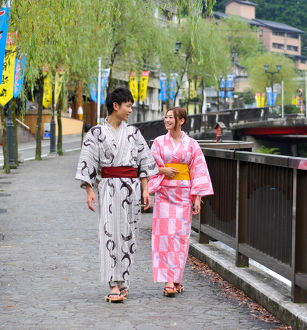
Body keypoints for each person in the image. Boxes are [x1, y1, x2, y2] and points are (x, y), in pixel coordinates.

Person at [75, 87, 157, 303]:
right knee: (110, 232)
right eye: (128, 105)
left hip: (132, 188)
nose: (130, 110)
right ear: (116, 106)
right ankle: (113, 282)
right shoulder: (96, 133)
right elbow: (88, 161)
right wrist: (89, 190)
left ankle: (124, 281)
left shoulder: (134, 133)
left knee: (129, 234)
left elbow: (144, 162)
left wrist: (146, 189)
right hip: (109, 187)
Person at [148, 107, 213, 297]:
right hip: (165, 194)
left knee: (180, 237)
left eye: (170, 117)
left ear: (181, 120)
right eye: (165, 117)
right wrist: (163, 171)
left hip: (184, 195)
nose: (166, 120)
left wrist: (198, 198)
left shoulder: (192, 144)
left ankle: (176, 278)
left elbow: (198, 170)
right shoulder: (159, 142)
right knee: (164, 236)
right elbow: (149, 165)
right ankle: (169, 279)